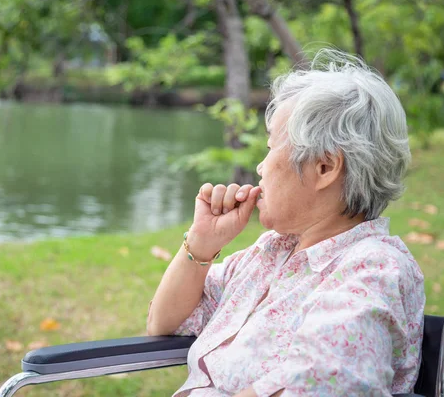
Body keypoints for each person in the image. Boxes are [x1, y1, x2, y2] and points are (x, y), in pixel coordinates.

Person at [147, 49, 426, 397]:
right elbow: (163, 322)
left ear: (324, 167)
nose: (261, 167)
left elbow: (329, 386)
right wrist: (200, 246)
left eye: (271, 147)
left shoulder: (371, 268)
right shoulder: (270, 252)